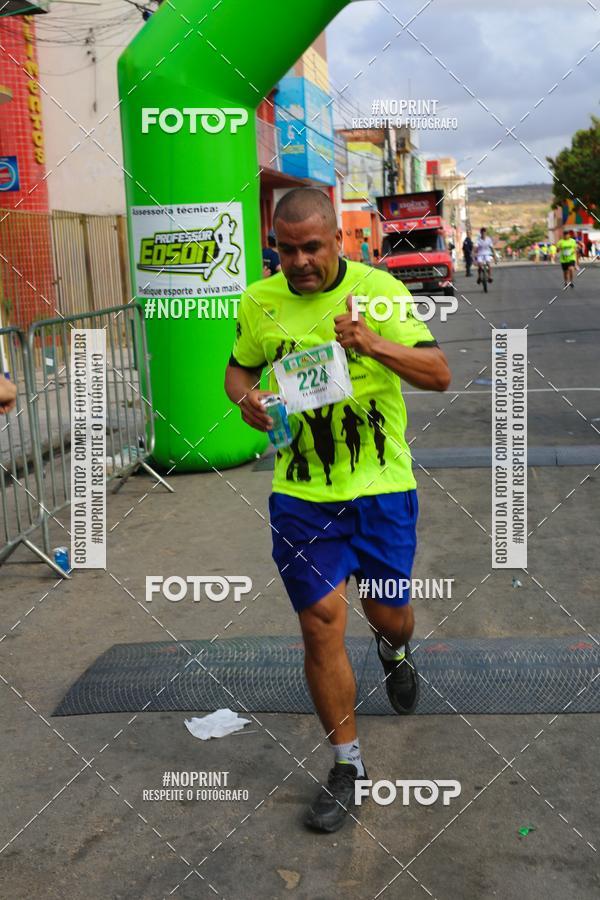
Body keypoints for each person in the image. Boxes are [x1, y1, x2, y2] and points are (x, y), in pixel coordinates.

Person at [225, 188, 451, 834]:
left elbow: (438, 373)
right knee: (321, 621)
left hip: (380, 488)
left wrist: (371, 342)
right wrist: (246, 402)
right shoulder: (258, 302)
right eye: (285, 249)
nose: (298, 262)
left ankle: (395, 652)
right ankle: (347, 764)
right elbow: (236, 372)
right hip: (301, 494)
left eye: (311, 248)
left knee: (389, 613)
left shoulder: (380, 291)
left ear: (338, 242)